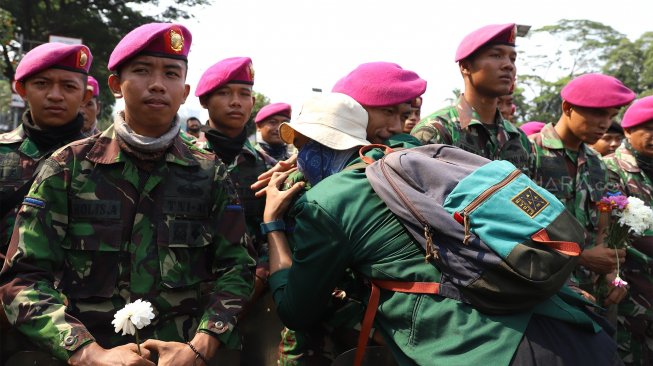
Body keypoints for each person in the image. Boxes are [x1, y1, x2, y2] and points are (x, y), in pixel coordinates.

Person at [262, 91, 623, 366]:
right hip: (577, 331)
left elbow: (296, 310)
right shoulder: (414, 158)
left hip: (490, 351)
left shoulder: (327, 200)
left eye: (302, 147)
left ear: (314, 148)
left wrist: (273, 224)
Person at [0, 22, 254, 365]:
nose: (157, 84)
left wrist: (202, 345)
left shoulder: (210, 172)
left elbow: (237, 268)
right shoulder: (67, 168)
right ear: (116, 85)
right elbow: (24, 277)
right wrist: (86, 352)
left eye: (171, 73)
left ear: (185, 90)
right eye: (142, 70)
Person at [529, 73, 635, 302]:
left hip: (591, 291)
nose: (605, 123)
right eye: (598, 113)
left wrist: (611, 272)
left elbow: (602, 226)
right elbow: (517, 225)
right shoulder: (530, 152)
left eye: (611, 116)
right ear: (567, 108)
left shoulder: (598, 163)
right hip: (543, 287)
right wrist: (581, 257)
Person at [0, 42, 93, 260]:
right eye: (42, 84)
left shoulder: (103, 159)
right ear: (22, 89)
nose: (55, 95)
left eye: (69, 87)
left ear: (85, 97)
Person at [411, 23, 532, 174]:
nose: (508, 65)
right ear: (466, 66)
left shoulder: (519, 139)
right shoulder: (437, 131)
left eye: (512, 59)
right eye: (496, 55)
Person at [602, 96, 653, 366]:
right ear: (629, 130)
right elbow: (607, 232)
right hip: (629, 297)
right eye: (650, 128)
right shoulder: (610, 169)